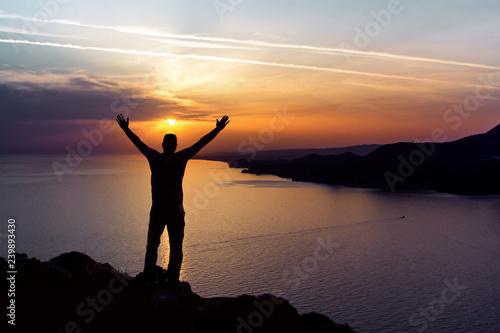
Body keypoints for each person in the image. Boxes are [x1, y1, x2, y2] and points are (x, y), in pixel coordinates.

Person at [116, 114, 230, 287]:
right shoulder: (180, 158)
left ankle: (148, 279)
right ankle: (172, 282)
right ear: (175, 146)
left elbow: (138, 142)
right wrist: (218, 129)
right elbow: (201, 142)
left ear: (163, 145)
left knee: (152, 246)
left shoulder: (154, 157)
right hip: (175, 211)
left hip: (158, 210)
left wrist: (126, 129)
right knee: (176, 248)